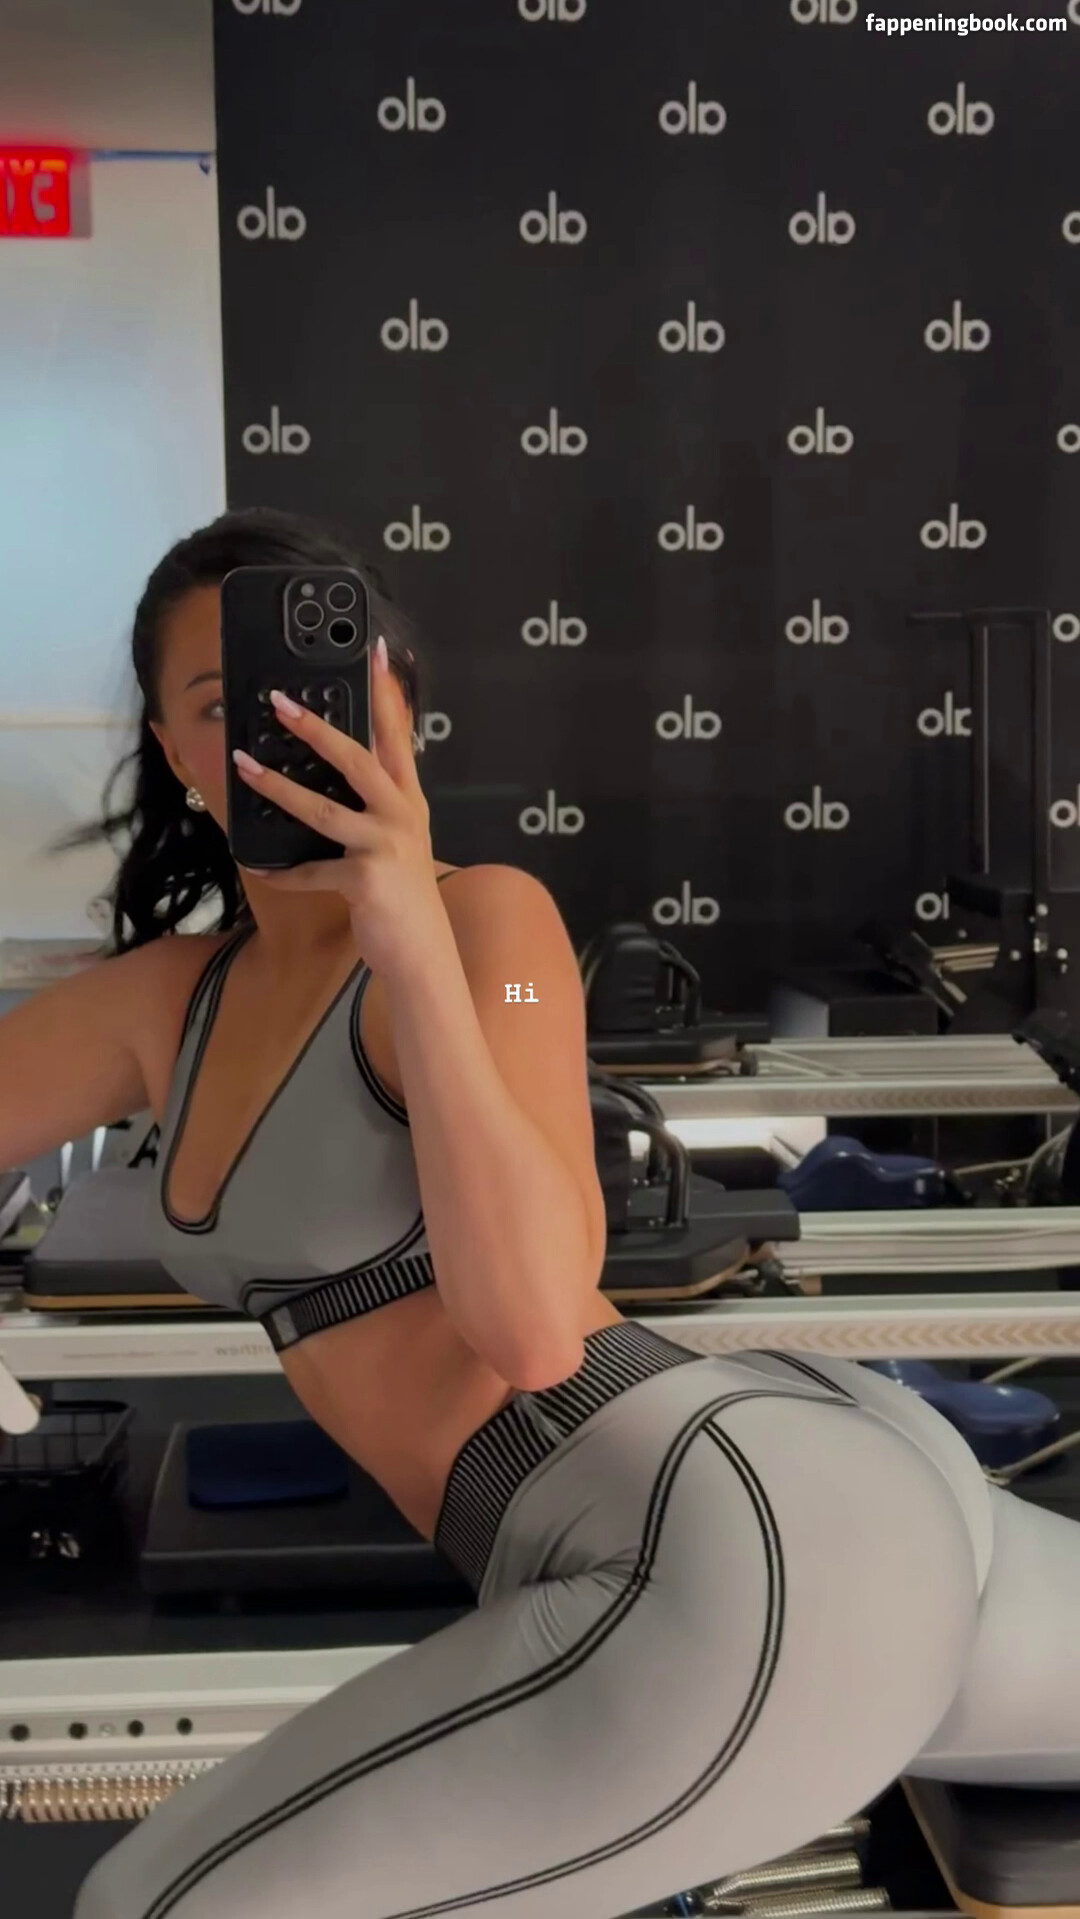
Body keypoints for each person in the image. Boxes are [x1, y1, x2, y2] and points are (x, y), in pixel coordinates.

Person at [2, 507, 1079, 1919]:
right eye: (219, 704)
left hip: (723, 1516)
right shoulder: (169, 1005)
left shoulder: (490, 924)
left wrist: (407, 940)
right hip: (789, 1495)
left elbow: (528, 1328)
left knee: (152, 1908)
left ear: (398, 705)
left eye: (318, 686)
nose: (275, 728)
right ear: (172, 750)